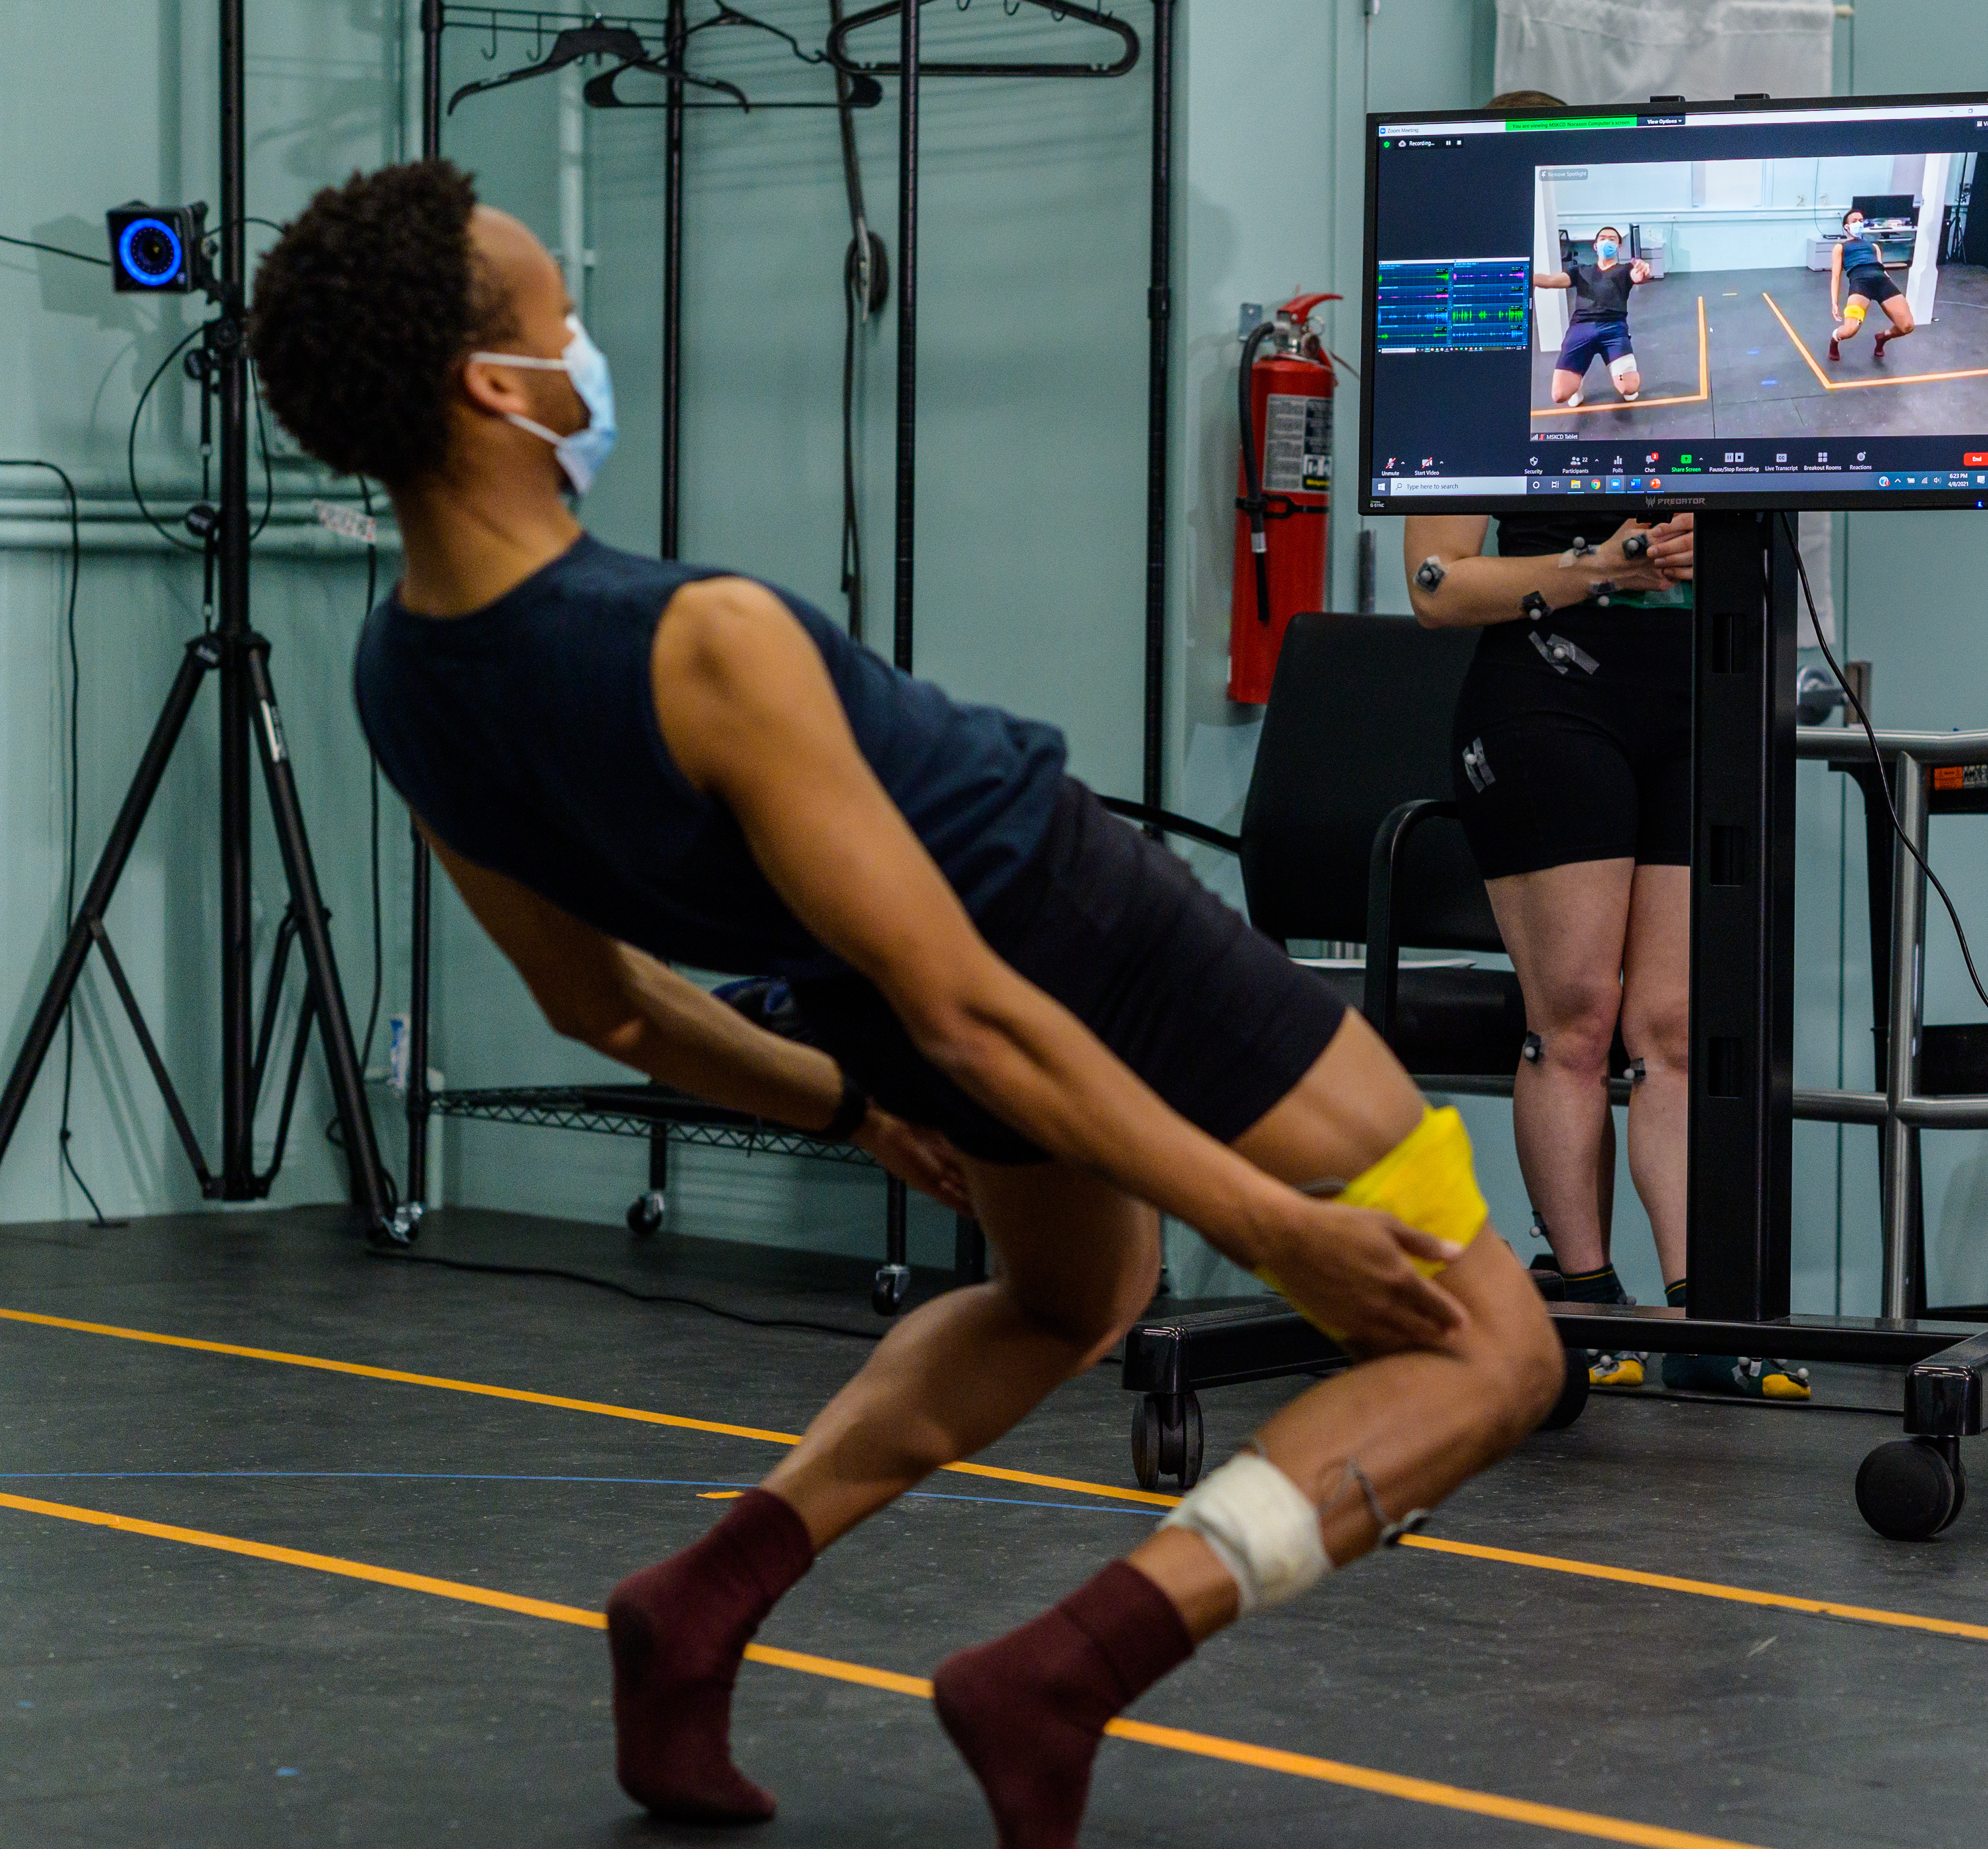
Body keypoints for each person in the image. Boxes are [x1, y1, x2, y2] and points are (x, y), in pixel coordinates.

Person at [245, 160, 1561, 1847]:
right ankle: (1065, 1671)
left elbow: (610, 1013)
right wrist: (1265, 1224)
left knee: (1067, 1293)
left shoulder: (398, 680)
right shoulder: (695, 638)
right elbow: (981, 1008)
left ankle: (700, 1600)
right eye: (559, 313)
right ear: (496, 389)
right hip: (1079, 935)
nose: (586, 338)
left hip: (861, 994)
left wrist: (855, 1108)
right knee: (1489, 1344)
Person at [1405, 510, 1809, 1403]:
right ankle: (1588, 1302)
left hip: (1702, 684)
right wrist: (1603, 566)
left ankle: (1699, 1316)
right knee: (1576, 1020)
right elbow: (1436, 586)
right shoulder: (1501, 385)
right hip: (1545, 694)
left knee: (1672, 1028)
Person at [1533, 226, 1652, 408]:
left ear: (1619, 247)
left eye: (1612, 239)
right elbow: (1550, 281)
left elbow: (1638, 277)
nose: (1607, 242)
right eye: (1603, 238)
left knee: (1629, 389)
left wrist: (1642, 272)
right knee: (1559, 395)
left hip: (1614, 329)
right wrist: (1526, 277)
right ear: (1596, 246)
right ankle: (1576, 384)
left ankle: (1624, 381)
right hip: (1581, 328)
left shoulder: (1626, 269)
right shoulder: (1580, 271)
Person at [1827, 205, 1916, 363]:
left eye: (1861, 220)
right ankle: (1835, 340)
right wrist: (1834, 303)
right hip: (1861, 285)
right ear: (1846, 227)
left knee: (1908, 326)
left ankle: (1882, 338)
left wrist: (1897, 294)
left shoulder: (1874, 247)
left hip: (1882, 283)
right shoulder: (1841, 247)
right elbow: (1835, 277)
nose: (1859, 223)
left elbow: (1883, 270)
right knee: (1850, 330)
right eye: (1855, 221)